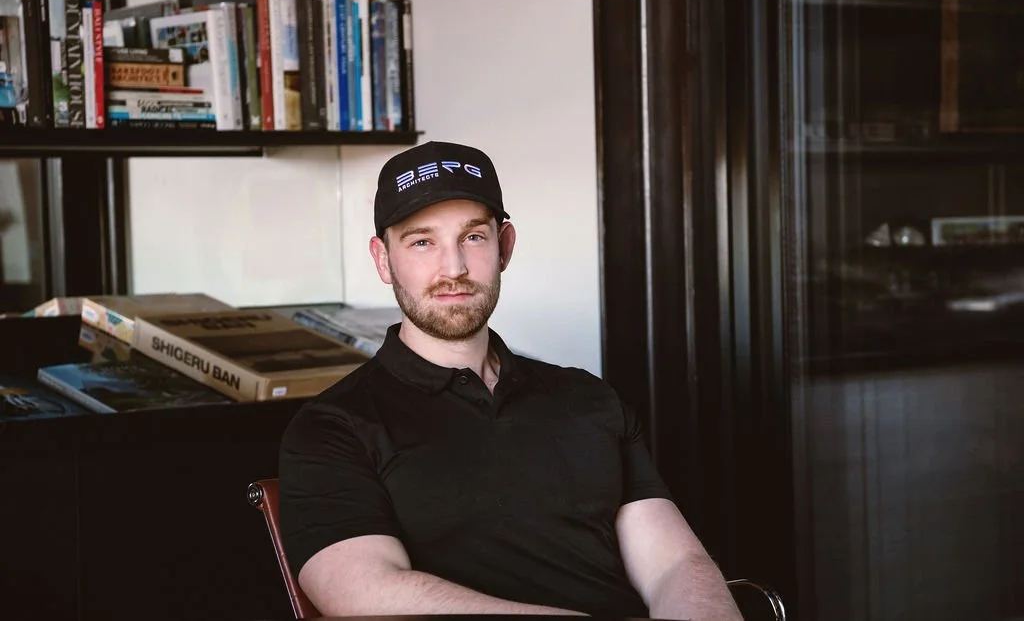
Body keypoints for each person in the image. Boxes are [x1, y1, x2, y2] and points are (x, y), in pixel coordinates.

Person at [277, 141, 743, 620]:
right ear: (383, 260)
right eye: (422, 242)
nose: (453, 268)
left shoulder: (587, 397)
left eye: (473, 237)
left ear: (504, 246)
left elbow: (675, 565)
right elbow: (362, 594)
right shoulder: (334, 427)